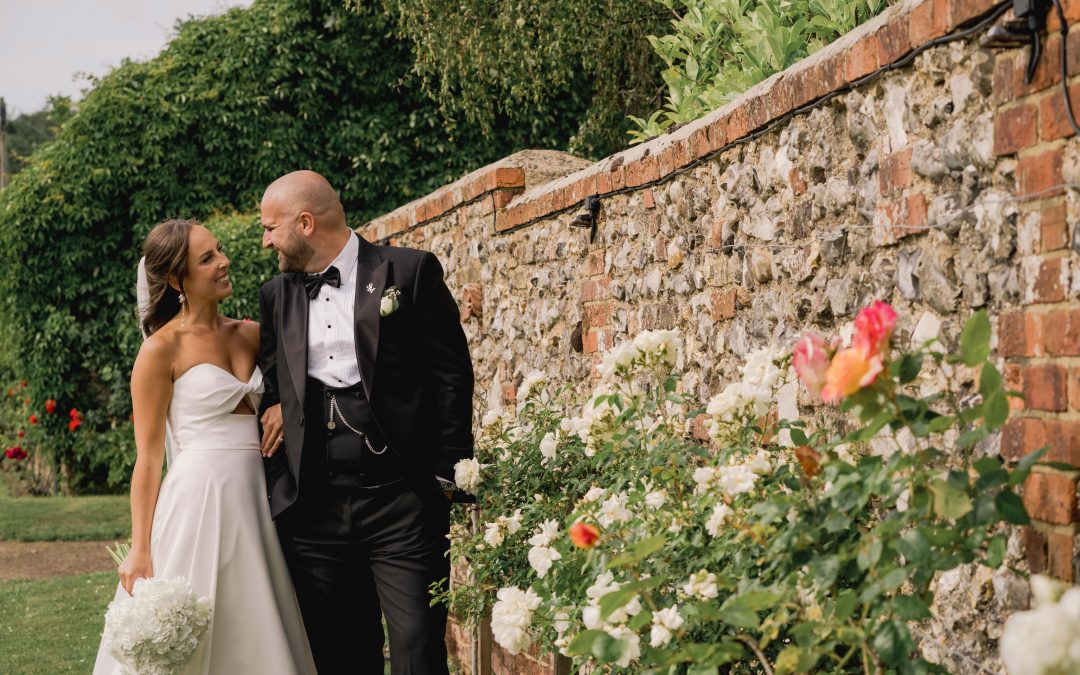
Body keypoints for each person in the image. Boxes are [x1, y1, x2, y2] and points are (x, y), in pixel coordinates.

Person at [257, 170, 474, 675]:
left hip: (402, 504)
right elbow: (271, 386)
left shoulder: (409, 271)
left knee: (418, 651)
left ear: (305, 223)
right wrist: (281, 482)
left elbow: (451, 376)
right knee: (340, 657)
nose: (266, 240)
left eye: (271, 227)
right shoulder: (275, 296)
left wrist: (445, 475)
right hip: (314, 510)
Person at [93, 219, 316, 674]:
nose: (224, 262)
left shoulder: (252, 334)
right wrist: (139, 547)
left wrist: (278, 409)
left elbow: (298, 392)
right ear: (176, 279)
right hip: (197, 502)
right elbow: (150, 457)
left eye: (220, 250)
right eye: (207, 258)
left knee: (257, 620)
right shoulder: (160, 350)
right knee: (193, 632)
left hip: (259, 497)